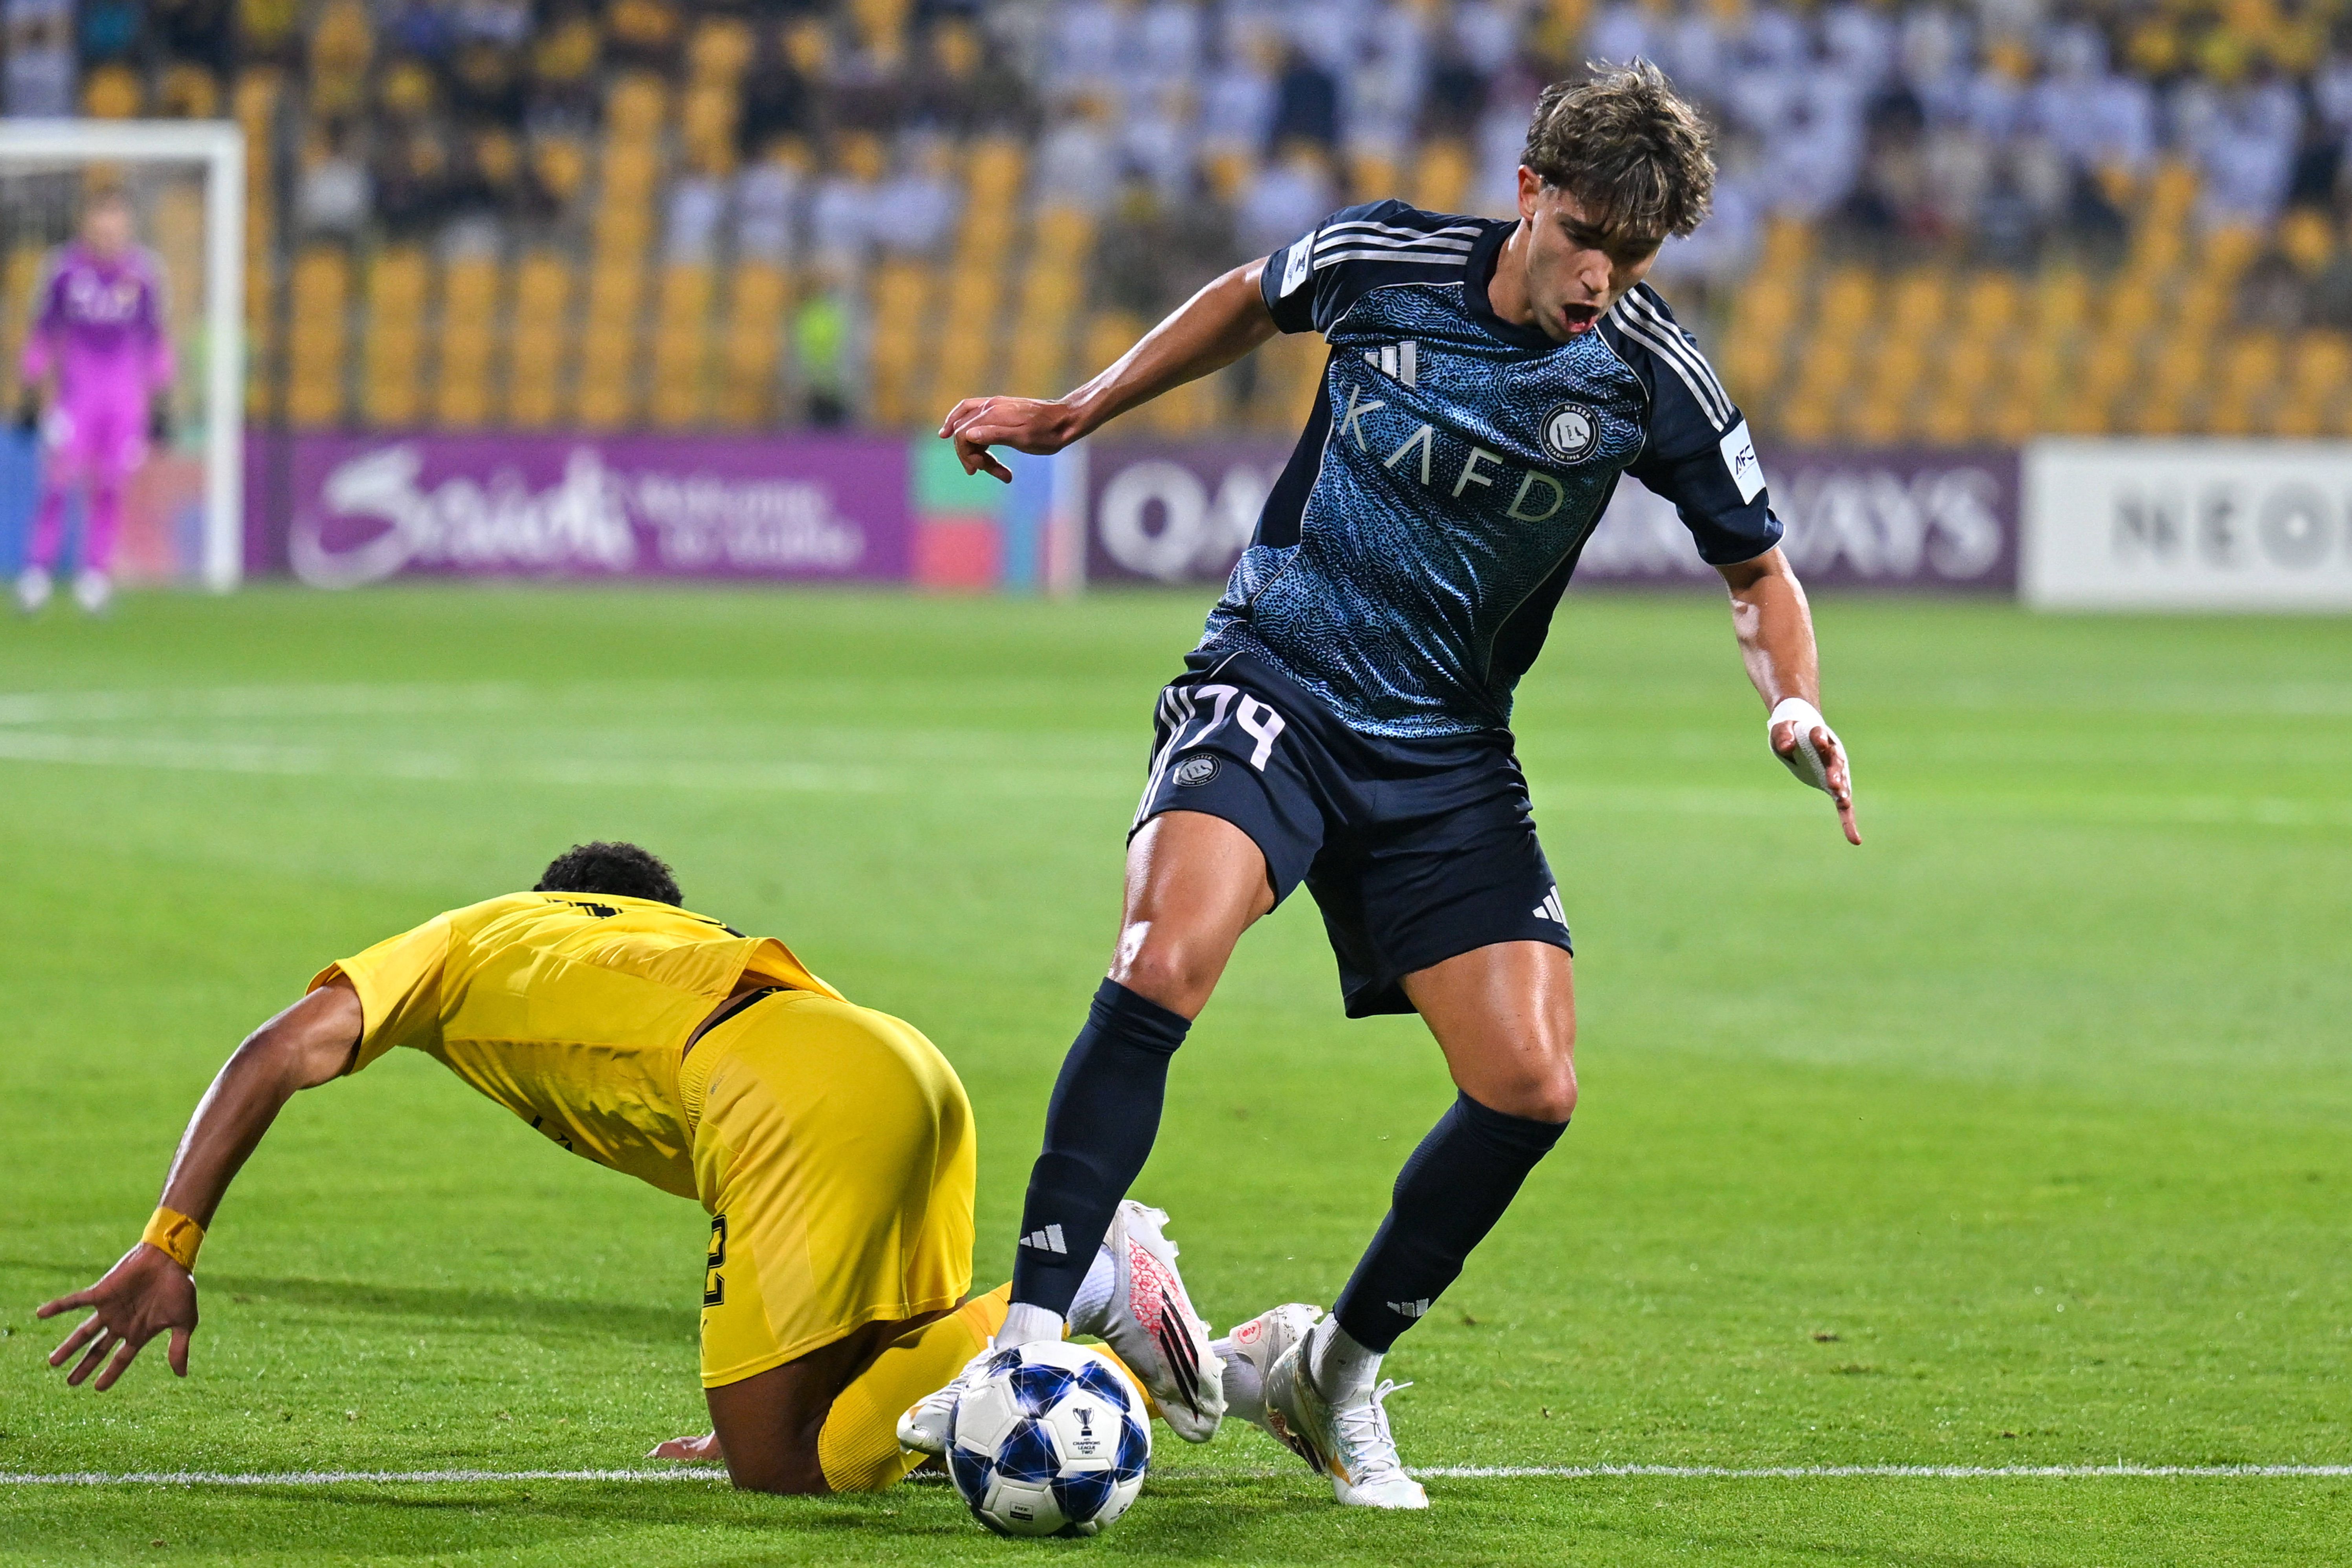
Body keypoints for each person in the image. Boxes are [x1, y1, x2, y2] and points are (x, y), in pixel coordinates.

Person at [932, 64, 1861, 1509]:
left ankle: (1329, 1371)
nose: (1598, 279)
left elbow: (1757, 569)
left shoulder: (1645, 371)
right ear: (1528, 196)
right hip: (1275, 683)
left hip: (1444, 752)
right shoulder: (1385, 263)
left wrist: (1792, 696)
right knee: (1165, 953)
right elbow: (1250, 292)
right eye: (1583, 240)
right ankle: (1025, 1341)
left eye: (1634, 257)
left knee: (1529, 1085)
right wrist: (1084, 407)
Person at [34, 841, 1267, 1493]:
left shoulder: (474, 934)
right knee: (884, 1405)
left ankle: (1101, 1275)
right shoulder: (680, 937)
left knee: (778, 1463)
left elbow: (280, 1048)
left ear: (553, 898)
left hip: (775, 1089)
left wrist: (170, 1238)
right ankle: (1130, 1349)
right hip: (897, 1065)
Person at [15, 187, 175, 616]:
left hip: (124, 399)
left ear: (128, 228)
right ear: (87, 225)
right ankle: (36, 576)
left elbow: (155, 340)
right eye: (101, 224)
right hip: (77, 395)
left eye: (117, 225)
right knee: (57, 483)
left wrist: (162, 400)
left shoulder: (143, 273)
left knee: (111, 488)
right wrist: (30, 385)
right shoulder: (63, 270)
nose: (109, 233)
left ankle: (94, 578)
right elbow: (43, 331)